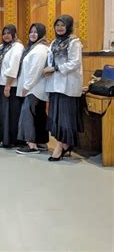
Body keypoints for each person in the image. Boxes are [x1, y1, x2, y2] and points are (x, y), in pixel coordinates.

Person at [43, 15, 83, 161]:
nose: (59, 28)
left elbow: (75, 63)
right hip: (54, 84)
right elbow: (50, 60)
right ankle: (64, 144)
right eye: (57, 25)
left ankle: (61, 146)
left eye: (62, 25)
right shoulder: (54, 42)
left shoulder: (74, 42)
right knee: (56, 117)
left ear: (69, 26)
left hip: (67, 85)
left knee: (65, 117)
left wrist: (54, 69)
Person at [15, 23, 50, 155]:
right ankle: (41, 142)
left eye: (36, 32)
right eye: (31, 32)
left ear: (41, 33)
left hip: (34, 88)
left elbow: (36, 69)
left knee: (27, 114)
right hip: (36, 87)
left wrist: (27, 86)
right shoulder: (34, 47)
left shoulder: (40, 49)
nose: (33, 34)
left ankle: (31, 145)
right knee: (39, 114)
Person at [0, 25, 24, 148]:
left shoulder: (17, 47)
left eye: (9, 33)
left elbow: (13, 67)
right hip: (0, 83)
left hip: (10, 85)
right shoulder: (2, 46)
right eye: (4, 33)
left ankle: (10, 140)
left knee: (10, 114)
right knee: (2, 114)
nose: (6, 35)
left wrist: (8, 85)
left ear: (14, 34)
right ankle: (2, 138)